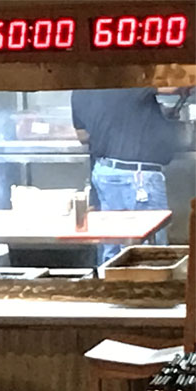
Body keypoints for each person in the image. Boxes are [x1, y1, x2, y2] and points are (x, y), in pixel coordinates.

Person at [71, 87, 188, 263]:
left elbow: (83, 135)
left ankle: (111, 280)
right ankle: (148, 282)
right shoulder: (130, 81)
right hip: (137, 177)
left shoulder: (79, 90)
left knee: (112, 249)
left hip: (104, 173)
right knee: (150, 253)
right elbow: (172, 87)